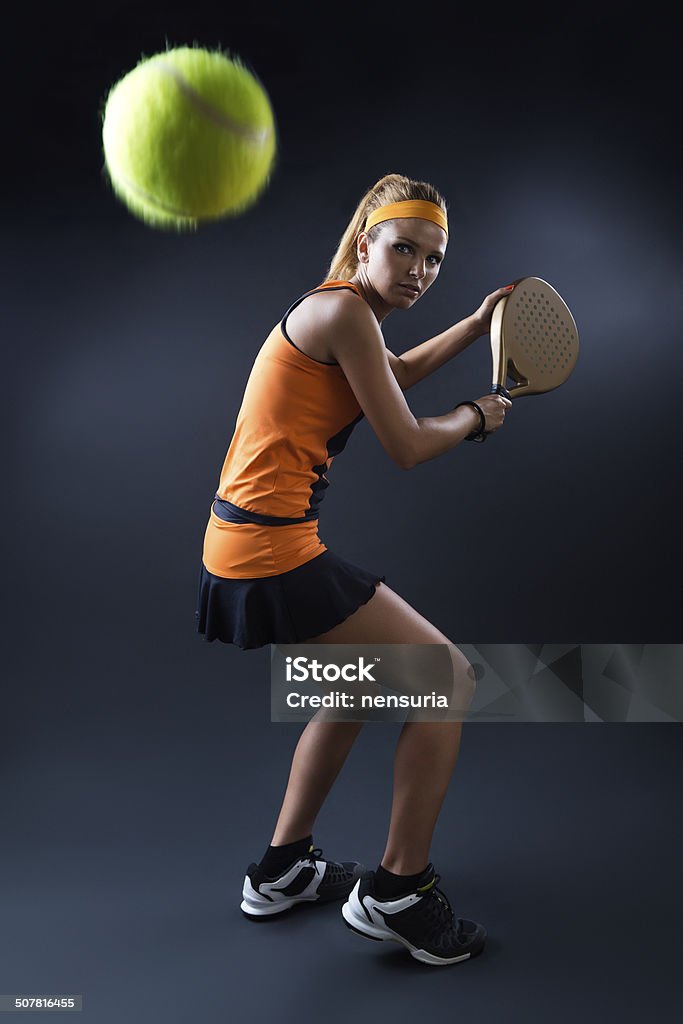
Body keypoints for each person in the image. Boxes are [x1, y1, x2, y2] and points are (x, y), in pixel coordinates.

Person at [194, 172, 512, 966]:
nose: (418, 271)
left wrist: (473, 330)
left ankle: (281, 870)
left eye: (434, 260)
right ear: (364, 242)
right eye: (403, 249)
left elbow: (391, 379)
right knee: (446, 678)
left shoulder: (345, 313)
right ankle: (398, 892)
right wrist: (475, 417)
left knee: (362, 684)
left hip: (242, 541)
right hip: (270, 547)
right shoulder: (340, 308)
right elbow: (403, 443)